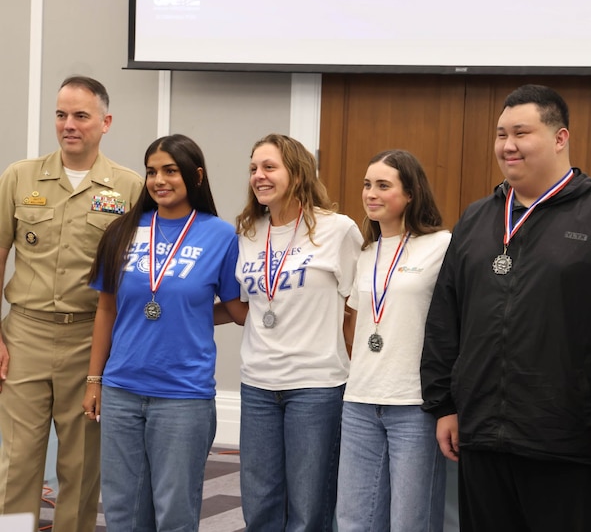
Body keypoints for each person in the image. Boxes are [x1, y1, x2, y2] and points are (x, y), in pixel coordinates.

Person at [420, 84, 591, 532]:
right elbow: (446, 315)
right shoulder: (476, 218)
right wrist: (444, 404)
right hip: (482, 435)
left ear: (560, 138)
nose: (508, 145)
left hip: (570, 439)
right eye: (501, 134)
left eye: (521, 133)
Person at [0, 76, 143, 530]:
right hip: (24, 334)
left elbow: (136, 277)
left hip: (90, 337)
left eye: (81, 115)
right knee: (18, 461)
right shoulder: (20, 176)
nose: (69, 125)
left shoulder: (130, 188)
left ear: (106, 122)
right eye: (61, 114)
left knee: (81, 466)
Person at [80, 133, 244, 530]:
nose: (159, 180)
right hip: (122, 390)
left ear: (196, 175)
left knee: (174, 511)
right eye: (152, 171)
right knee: (123, 509)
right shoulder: (122, 232)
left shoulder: (221, 236)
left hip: (183, 396)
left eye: (170, 170)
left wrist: (192, 314)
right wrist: (93, 379)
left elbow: (239, 312)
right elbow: (107, 309)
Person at [235, 133, 361, 531]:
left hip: (316, 385)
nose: (259, 176)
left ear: (298, 172)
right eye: (254, 168)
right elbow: (246, 306)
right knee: (260, 505)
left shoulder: (338, 230)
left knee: (309, 508)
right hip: (257, 384)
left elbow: (357, 308)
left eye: (269, 167)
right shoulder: (248, 232)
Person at [336, 150, 450, 531]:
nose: (371, 193)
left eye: (384, 185)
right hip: (360, 401)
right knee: (354, 519)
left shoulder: (441, 246)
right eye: (367, 185)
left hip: (413, 403)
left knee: (410, 521)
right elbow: (355, 322)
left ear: (411, 193)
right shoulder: (366, 252)